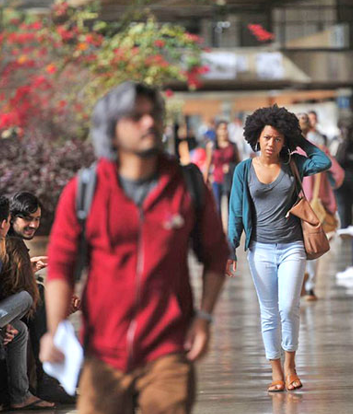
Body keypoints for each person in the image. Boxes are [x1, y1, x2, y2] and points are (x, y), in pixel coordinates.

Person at [41, 81, 230, 414]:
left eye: (153, 114)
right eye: (136, 116)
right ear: (111, 129)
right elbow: (61, 266)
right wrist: (54, 330)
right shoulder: (85, 190)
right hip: (102, 354)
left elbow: (216, 255)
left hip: (169, 350)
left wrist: (203, 318)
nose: (149, 122)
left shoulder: (185, 184)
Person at [227, 105, 331, 392]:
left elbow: (322, 161)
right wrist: (230, 248)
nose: (271, 143)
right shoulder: (244, 170)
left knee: (288, 307)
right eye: (267, 137)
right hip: (259, 250)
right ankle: (275, 370)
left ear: (285, 140)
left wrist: (298, 139)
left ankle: (290, 366)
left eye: (278, 138)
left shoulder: (293, 164)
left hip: (292, 246)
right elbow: (235, 212)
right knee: (269, 312)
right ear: (256, 138)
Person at [0, 195, 55, 410]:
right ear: (7, 222)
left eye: (37, 219)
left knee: (20, 329)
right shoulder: (10, 244)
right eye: (27, 218)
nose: (33, 225)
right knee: (28, 297)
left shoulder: (9, 245)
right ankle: (46, 380)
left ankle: (21, 396)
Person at [296, 113, 345, 301]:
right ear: (310, 129)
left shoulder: (288, 152)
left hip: (293, 206)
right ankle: (310, 287)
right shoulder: (320, 150)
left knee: (295, 246)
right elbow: (338, 173)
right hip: (315, 206)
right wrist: (328, 188)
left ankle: (296, 280)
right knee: (312, 245)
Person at [203, 120, 241, 226]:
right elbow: (208, 163)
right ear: (217, 131)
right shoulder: (212, 146)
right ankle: (218, 230)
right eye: (221, 129)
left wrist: (231, 167)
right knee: (217, 207)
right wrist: (205, 180)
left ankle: (231, 230)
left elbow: (239, 163)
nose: (224, 132)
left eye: (225, 129)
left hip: (230, 179)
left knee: (231, 207)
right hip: (217, 179)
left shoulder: (233, 146)